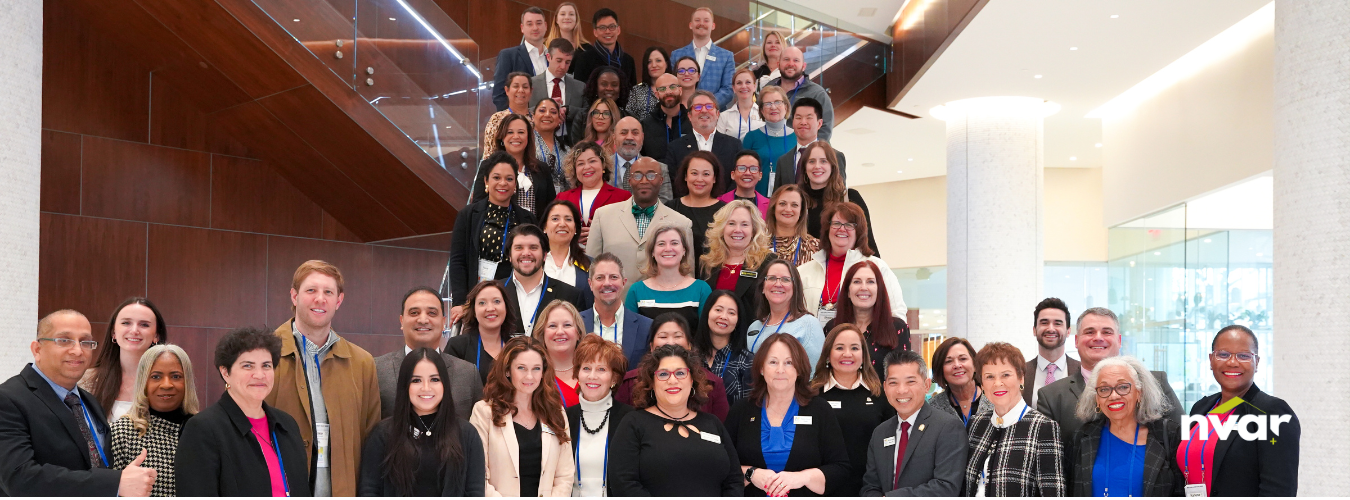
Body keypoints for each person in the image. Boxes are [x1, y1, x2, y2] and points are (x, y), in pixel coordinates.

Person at [0, 310, 156, 496]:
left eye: (85, 342)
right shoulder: (9, 399)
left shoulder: (87, 401)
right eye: (64, 340)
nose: (77, 350)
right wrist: (114, 483)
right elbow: (20, 478)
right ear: (37, 349)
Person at [266, 259, 381, 497]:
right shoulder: (263, 355)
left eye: (328, 292)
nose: (320, 299)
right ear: (294, 296)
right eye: (311, 290)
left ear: (338, 301)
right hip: (278, 488)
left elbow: (371, 439)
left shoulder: (362, 363)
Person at [177, 327, 310, 496]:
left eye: (266, 366)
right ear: (225, 372)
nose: (260, 375)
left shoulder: (287, 425)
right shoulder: (203, 429)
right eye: (248, 366)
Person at [1036, 307, 1182, 460]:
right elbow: (1047, 459)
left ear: (1119, 341)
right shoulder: (1051, 396)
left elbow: (1182, 437)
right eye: (1090, 332)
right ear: (1076, 341)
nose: (1098, 338)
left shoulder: (1156, 382)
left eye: (1107, 332)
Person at [608, 344, 743, 496]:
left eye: (680, 373)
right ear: (652, 382)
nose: (672, 380)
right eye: (663, 374)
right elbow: (623, 482)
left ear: (692, 380)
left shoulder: (713, 423)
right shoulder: (633, 423)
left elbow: (734, 480)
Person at [1180, 325, 1299, 496]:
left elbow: (1278, 491)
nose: (1232, 362)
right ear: (1211, 360)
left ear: (1256, 363)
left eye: (1243, 356)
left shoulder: (1272, 412)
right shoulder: (1201, 408)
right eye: (1223, 354)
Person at [726, 333, 850, 496]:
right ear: (761, 369)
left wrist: (802, 478)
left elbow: (841, 468)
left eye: (789, 363)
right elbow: (722, 465)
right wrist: (751, 473)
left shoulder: (820, 409)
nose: (780, 370)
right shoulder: (741, 410)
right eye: (773, 362)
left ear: (799, 369)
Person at [357, 348, 486, 496]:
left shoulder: (467, 434)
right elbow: (369, 490)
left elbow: (475, 491)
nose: (426, 388)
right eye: (416, 380)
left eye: (435, 379)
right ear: (405, 385)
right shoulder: (382, 434)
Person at [469, 336, 574, 496]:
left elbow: (564, 476)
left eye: (536, 368)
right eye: (521, 368)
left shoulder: (556, 412)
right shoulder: (484, 412)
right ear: (507, 370)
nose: (530, 376)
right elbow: (478, 476)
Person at [858, 348, 967, 497]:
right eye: (893, 383)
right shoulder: (880, 432)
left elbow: (946, 487)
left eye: (910, 381)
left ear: (926, 385)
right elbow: (870, 486)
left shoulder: (948, 427)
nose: (901, 390)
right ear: (885, 387)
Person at [963, 342, 1065, 497]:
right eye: (989, 377)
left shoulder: (1044, 427)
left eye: (1005, 375)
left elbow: (1053, 493)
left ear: (1021, 379)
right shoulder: (976, 423)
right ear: (982, 384)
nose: (997, 383)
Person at [1071, 356, 1182, 497]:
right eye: (1104, 389)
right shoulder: (1083, 436)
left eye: (1123, 387)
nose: (1114, 396)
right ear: (1097, 399)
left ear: (1139, 393)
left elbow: (1180, 491)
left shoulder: (1169, 435)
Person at [811, 324, 896, 496]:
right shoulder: (812, 395)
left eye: (855, 348)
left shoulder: (881, 394)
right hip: (822, 488)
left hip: (871, 488)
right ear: (828, 354)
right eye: (839, 348)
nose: (847, 354)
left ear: (864, 356)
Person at [374, 287, 482, 421]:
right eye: (414, 313)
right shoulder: (375, 370)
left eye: (432, 313)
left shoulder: (468, 373)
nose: (423, 320)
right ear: (402, 321)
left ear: (443, 322)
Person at [448, 152, 537, 307]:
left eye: (509, 179)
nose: (503, 183)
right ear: (486, 181)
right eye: (496, 178)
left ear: (515, 184)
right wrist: (459, 303)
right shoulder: (467, 215)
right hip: (475, 293)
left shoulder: (527, 219)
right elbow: (457, 261)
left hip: (515, 296)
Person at [586, 157, 694, 286]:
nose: (644, 181)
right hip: (615, 301)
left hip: (662, 302)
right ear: (629, 180)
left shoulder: (682, 223)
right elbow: (591, 267)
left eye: (651, 175)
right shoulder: (603, 216)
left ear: (661, 180)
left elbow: (687, 274)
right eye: (637, 176)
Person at [109, 344, 200, 497]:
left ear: (187, 382)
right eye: (156, 377)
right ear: (143, 382)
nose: (166, 385)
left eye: (176, 376)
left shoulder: (205, 431)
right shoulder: (121, 433)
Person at [613, 313, 731, 420]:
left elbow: (721, 430)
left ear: (689, 345)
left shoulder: (712, 383)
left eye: (677, 336)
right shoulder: (628, 382)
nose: (670, 342)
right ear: (651, 346)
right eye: (663, 337)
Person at [802, 203, 901, 324]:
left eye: (849, 225)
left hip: (862, 341)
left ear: (858, 232)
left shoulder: (878, 267)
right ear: (827, 229)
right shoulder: (804, 271)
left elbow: (897, 313)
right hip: (813, 342)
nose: (842, 229)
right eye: (836, 224)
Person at [565, 335, 634, 496]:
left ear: (614, 378)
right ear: (577, 374)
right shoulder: (563, 418)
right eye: (586, 368)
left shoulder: (630, 419)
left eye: (601, 369)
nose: (592, 376)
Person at [82, 297, 168, 422]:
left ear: (156, 335)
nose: (134, 331)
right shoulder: (85, 381)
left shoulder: (168, 383)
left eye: (144, 325)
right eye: (126, 323)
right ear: (114, 332)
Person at [822, 261, 911, 379]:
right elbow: (825, 372)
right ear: (848, 291)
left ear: (879, 290)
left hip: (882, 397)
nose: (863, 287)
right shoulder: (831, 328)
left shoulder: (897, 328)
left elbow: (903, 375)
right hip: (838, 396)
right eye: (857, 281)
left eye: (870, 282)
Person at [700, 200, 774, 328]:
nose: (737, 230)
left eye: (744, 224)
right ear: (722, 228)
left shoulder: (768, 263)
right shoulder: (708, 262)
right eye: (731, 223)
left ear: (754, 230)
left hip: (751, 339)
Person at [500, 224, 586, 334]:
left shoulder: (571, 295)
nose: (526, 253)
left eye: (533, 247)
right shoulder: (494, 292)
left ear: (545, 255)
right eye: (519, 247)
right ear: (510, 256)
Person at [623, 223, 713, 328]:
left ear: (684, 250)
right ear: (652, 251)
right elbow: (631, 334)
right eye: (661, 244)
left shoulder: (701, 289)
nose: (668, 248)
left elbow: (706, 334)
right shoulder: (637, 291)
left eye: (674, 243)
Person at [746, 258, 826, 370]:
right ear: (763, 287)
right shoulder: (754, 327)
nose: (778, 284)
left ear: (795, 287)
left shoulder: (809, 325)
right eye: (772, 278)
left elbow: (815, 376)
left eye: (785, 279)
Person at [477, 113, 558, 220]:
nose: (516, 136)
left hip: (535, 233)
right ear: (502, 137)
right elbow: (478, 205)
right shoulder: (488, 166)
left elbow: (551, 207)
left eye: (521, 132)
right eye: (510, 132)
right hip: (499, 231)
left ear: (528, 137)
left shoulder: (542, 168)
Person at [798, 143, 875, 251]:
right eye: (811, 161)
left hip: (846, 266)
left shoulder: (850, 197)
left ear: (832, 166)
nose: (817, 166)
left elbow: (868, 242)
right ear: (805, 167)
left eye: (823, 161)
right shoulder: (797, 201)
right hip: (806, 266)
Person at [581, 253, 653, 366]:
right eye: (600, 278)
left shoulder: (646, 327)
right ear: (590, 284)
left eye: (613, 277)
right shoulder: (575, 324)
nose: (607, 283)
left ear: (623, 282)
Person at [667, 90, 743, 198]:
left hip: (725, 209)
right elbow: (675, 183)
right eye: (697, 107)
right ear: (689, 116)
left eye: (709, 106)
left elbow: (736, 180)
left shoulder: (734, 145)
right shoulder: (675, 147)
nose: (703, 110)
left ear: (717, 114)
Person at [446, 281, 521, 383]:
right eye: (482, 303)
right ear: (474, 311)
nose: (490, 308)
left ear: (506, 308)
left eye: (497, 301)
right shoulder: (458, 346)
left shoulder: (517, 348)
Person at [556, 144, 632, 244]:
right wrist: (571, 235)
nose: (587, 167)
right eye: (580, 164)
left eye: (592, 161)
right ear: (575, 170)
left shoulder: (623, 197)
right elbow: (553, 229)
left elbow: (630, 232)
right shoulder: (562, 198)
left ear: (603, 164)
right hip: (572, 255)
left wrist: (601, 234)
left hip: (608, 256)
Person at [692, 289, 755, 404]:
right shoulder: (690, 356)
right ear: (707, 313)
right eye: (718, 310)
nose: (724, 316)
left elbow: (750, 408)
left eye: (731, 313)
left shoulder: (747, 361)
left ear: (738, 321)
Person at [773, 98, 848, 192]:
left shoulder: (836, 156)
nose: (803, 122)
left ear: (819, 123)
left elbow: (840, 193)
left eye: (809, 117)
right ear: (792, 122)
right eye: (798, 117)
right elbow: (777, 196)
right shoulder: (783, 161)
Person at [538, 199, 599, 308]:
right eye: (555, 219)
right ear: (544, 227)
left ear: (575, 228)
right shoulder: (533, 263)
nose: (562, 224)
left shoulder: (591, 265)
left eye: (568, 219)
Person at [671, 7, 736, 108]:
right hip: (682, 113)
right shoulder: (676, 55)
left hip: (714, 116)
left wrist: (707, 106)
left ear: (713, 26)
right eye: (697, 20)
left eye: (706, 20)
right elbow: (673, 85)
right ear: (690, 25)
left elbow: (728, 90)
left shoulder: (726, 56)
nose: (701, 23)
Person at [667, 151, 729, 256]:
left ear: (714, 178)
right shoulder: (670, 208)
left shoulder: (725, 212)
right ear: (686, 176)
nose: (699, 179)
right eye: (694, 173)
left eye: (706, 174)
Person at [767, 47, 834, 140]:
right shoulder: (768, 89)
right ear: (778, 64)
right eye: (786, 59)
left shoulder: (817, 94)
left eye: (796, 60)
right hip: (769, 147)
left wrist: (808, 152)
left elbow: (825, 131)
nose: (791, 64)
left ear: (803, 66)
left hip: (802, 151)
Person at [1024, 298, 1080, 407]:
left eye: (1057, 323)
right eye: (1044, 323)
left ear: (1068, 331)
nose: (1050, 329)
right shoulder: (1020, 373)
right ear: (1034, 330)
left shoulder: (1083, 373)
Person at [741, 86, 796, 196]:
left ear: (786, 106)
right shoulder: (751, 137)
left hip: (791, 198)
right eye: (768, 104)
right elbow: (742, 170)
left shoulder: (798, 136)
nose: (773, 107)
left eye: (778, 102)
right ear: (761, 110)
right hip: (757, 198)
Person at [492, 7, 549, 110]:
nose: (535, 28)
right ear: (522, 28)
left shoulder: (552, 57)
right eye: (529, 24)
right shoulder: (508, 55)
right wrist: (513, 120)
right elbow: (499, 95)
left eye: (539, 23)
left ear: (545, 26)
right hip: (519, 121)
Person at [532, 300, 587, 407]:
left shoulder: (593, 370)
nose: (560, 332)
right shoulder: (534, 375)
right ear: (542, 334)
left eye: (567, 325)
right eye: (552, 326)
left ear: (578, 333)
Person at [928, 337, 991, 427]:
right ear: (940, 370)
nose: (957, 365)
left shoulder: (995, 400)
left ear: (975, 364)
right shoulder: (932, 408)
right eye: (948, 361)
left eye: (963, 359)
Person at [569, 8, 637, 88]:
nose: (607, 31)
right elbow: (579, 92)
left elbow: (633, 94)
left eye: (612, 27)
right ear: (595, 32)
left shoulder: (628, 60)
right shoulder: (584, 59)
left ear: (618, 30)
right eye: (602, 27)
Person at [612, 115, 674, 200]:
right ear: (614, 137)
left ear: (642, 137)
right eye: (624, 132)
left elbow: (666, 204)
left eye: (635, 133)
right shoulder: (601, 168)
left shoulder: (660, 169)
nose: (629, 137)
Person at [639, 72, 693, 161]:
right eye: (662, 89)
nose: (668, 92)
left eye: (672, 87)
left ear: (680, 90)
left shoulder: (692, 121)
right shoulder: (645, 125)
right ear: (657, 95)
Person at [570, 66, 630, 144]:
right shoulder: (582, 117)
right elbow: (575, 148)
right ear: (595, 87)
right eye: (604, 84)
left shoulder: (627, 118)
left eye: (614, 85)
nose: (609, 88)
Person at [530, 39, 583, 127]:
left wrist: (568, 111)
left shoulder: (580, 87)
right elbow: (521, 113)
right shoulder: (531, 84)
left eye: (567, 62)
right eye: (559, 60)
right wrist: (544, 107)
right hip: (537, 138)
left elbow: (587, 114)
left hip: (569, 138)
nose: (563, 67)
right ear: (548, 57)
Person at [767, 184, 820, 267]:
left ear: (801, 211)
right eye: (782, 203)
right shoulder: (758, 245)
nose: (788, 209)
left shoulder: (816, 248)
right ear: (774, 208)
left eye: (794, 205)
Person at [485, 73, 535, 154]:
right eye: (516, 86)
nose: (521, 90)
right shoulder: (497, 119)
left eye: (525, 87)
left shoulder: (536, 119)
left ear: (531, 91)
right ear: (507, 90)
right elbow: (489, 153)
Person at [532, 98, 572, 194]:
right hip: (533, 199)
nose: (547, 115)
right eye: (542, 110)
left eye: (553, 112)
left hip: (560, 201)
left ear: (559, 119)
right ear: (532, 116)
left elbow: (571, 183)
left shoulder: (567, 150)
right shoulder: (525, 144)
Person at [718, 150, 772, 216]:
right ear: (733, 174)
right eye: (742, 168)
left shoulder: (770, 206)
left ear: (760, 175)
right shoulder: (719, 202)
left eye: (753, 169)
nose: (747, 173)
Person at [626, 46, 672, 122]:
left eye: (658, 60)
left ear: (666, 64)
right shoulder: (636, 91)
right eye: (649, 62)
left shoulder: (675, 89)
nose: (654, 65)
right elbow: (629, 118)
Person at [718, 69, 765, 140]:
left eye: (748, 82)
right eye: (739, 83)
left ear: (754, 87)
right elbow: (720, 144)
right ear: (734, 88)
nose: (743, 86)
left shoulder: (764, 113)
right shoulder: (724, 117)